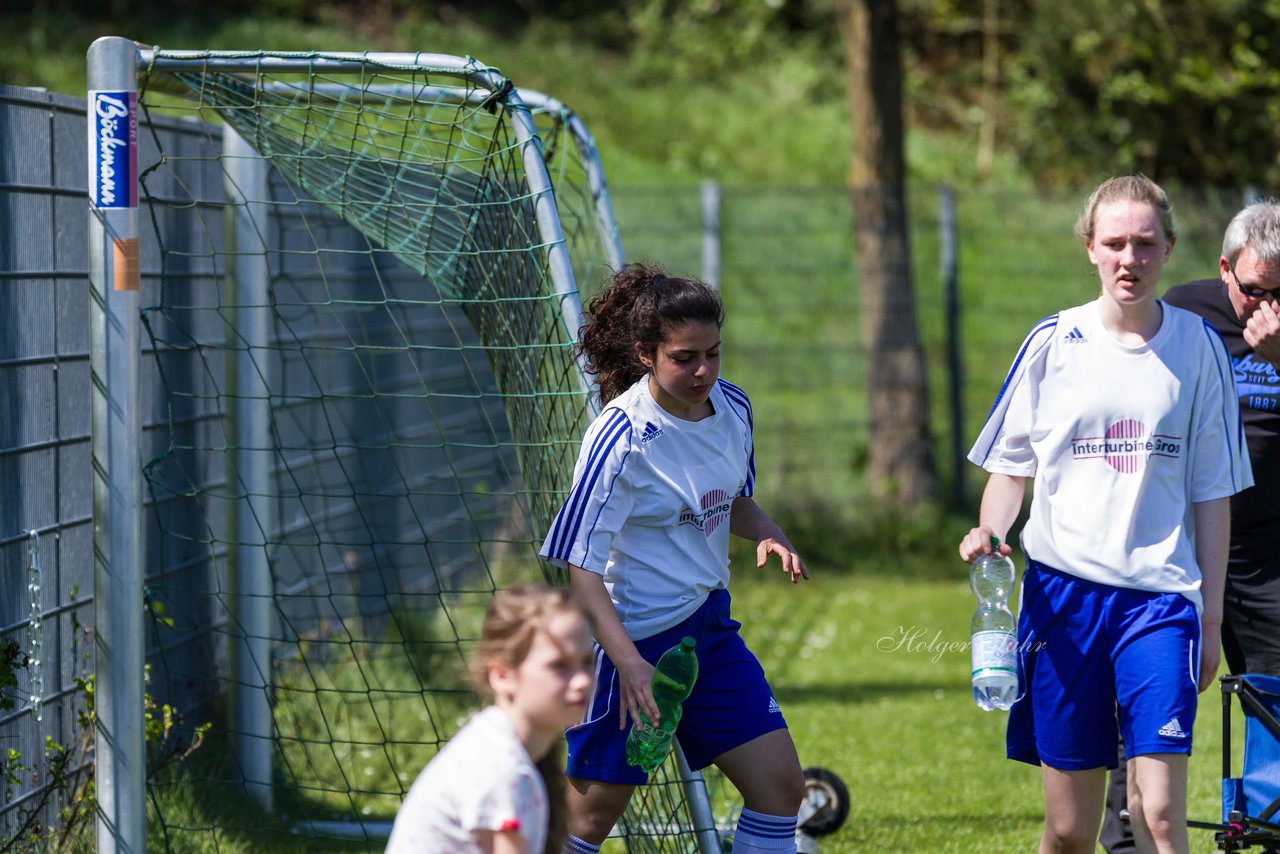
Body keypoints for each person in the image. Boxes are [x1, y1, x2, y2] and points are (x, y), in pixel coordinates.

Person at [958, 174, 1253, 854]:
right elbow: (1011, 469)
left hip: (1162, 602)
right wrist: (992, 531)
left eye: (1145, 244)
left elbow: (1214, 492)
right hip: (1063, 600)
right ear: (1089, 248)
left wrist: (1210, 619)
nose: (1130, 258)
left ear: (1169, 249)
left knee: (1158, 816)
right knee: (1068, 831)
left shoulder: (1200, 347)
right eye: (1115, 242)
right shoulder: (1052, 343)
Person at [540, 263, 810, 854]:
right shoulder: (620, 436)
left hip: (707, 636)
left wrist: (769, 533)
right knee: (588, 822)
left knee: (781, 789)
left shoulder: (733, 408)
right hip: (628, 648)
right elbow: (578, 566)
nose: (703, 371)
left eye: (713, 353)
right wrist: (630, 662)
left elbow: (734, 502)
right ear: (645, 354)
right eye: (685, 357)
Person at [1100, 200, 1280, 853]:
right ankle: (1126, 835)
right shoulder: (1184, 312)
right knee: (1147, 686)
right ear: (1226, 269)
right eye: (1254, 290)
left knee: (1271, 691)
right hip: (1176, 540)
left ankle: (1263, 827)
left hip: (1270, 549)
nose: (1266, 306)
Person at [385, 583, 595, 854]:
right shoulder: (504, 771)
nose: (582, 681)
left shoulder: (507, 743)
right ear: (502, 675)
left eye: (587, 662)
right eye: (559, 666)